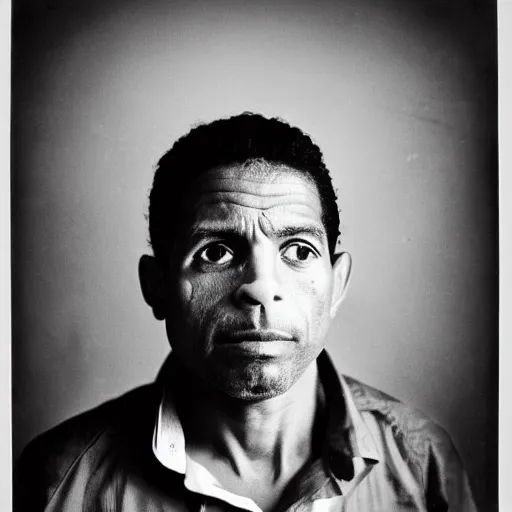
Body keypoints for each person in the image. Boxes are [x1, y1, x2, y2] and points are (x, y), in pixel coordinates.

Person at [14, 113, 477, 511]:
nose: (261, 287)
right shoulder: (57, 482)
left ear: (336, 285)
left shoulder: (423, 464)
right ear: (157, 287)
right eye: (215, 252)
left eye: (297, 250)